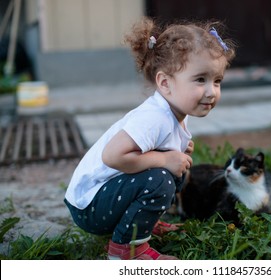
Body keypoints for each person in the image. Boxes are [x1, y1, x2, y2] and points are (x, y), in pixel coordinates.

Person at [64, 17, 235, 260]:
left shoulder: (175, 112)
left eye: (217, 81)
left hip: (105, 197)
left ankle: (141, 223)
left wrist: (175, 150)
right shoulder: (154, 117)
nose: (211, 91)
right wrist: (164, 160)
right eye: (200, 80)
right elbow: (113, 156)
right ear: (165, 83)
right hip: (89, 208)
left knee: (175, 170)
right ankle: (127, 251)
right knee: (160, 177)